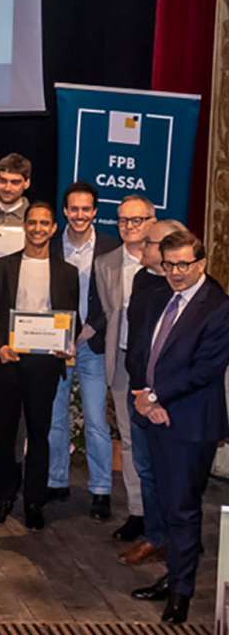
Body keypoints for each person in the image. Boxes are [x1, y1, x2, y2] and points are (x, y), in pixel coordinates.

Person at [125, 229, 229, 624]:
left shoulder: (217, 307)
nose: (176, 272)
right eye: (169, 265)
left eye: (184, 264)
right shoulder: (159, 295)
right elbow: (141, 350)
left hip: (188, 423)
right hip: (153, 413)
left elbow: (206, 369)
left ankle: (181, 593)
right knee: (166, 503)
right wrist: (142, 393)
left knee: (183, 509)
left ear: (201, 264)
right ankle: (171, 576)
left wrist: (156, 397)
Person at [0, 202, 89, 531]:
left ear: (53, 229)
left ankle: (34, 502)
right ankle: (3, 496)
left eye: (44, 223)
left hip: (45, 363)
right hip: (8, 360)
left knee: (40, 433)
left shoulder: (67, 272)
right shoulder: (1, 267)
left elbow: (72, 319)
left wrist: (67, 343)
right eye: (33, 222)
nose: (38, 228)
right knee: (5, 432)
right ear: (24, 226)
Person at [47, 182, 120, 518]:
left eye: (85, 209)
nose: (79, 215)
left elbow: (116, 299)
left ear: (95, 212)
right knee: (55, 418)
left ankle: (101, 490)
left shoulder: (110, 247)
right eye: (73, 208)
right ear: (65, 211)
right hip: (56, 346)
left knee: (95, 420)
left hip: (92, 344)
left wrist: (89, 330)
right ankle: (56, 481)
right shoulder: (50, 246)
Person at [118, 217, 187, 566]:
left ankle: (180, 541)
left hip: (168, 399)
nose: (140, 247)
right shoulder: (142, 279)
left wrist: (157, 395)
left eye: (148, 243)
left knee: (172, 474)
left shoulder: (189, 293)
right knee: (145, 469)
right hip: (137, 392)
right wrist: (137, 388)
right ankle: (155, 537)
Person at [95, 195, 158, 544]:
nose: (128, 227)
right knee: (130, 441)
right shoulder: (105, 264)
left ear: (152, 220)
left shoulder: (167, 261)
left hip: (161, 367)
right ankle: (138, 511)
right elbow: (109, 314)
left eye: (136, 220)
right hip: (122, 363)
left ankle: (165, 512)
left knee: (163, 441)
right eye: (122, 220)